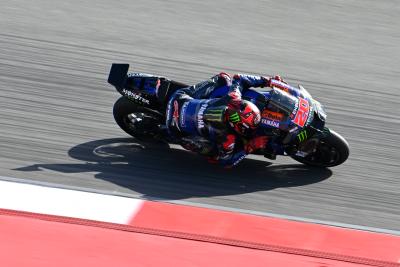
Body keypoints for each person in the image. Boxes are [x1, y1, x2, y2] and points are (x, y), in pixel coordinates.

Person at [165, 72, 286, 167]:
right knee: (213, 154)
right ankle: (178, 138)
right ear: (237, 126)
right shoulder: (228, 138)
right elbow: (226, 162)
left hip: (179, 98)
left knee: (223, 78)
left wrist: (268, 81)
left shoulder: (233, 97)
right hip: (174, 128)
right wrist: (251, 146)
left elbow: (239, 78)